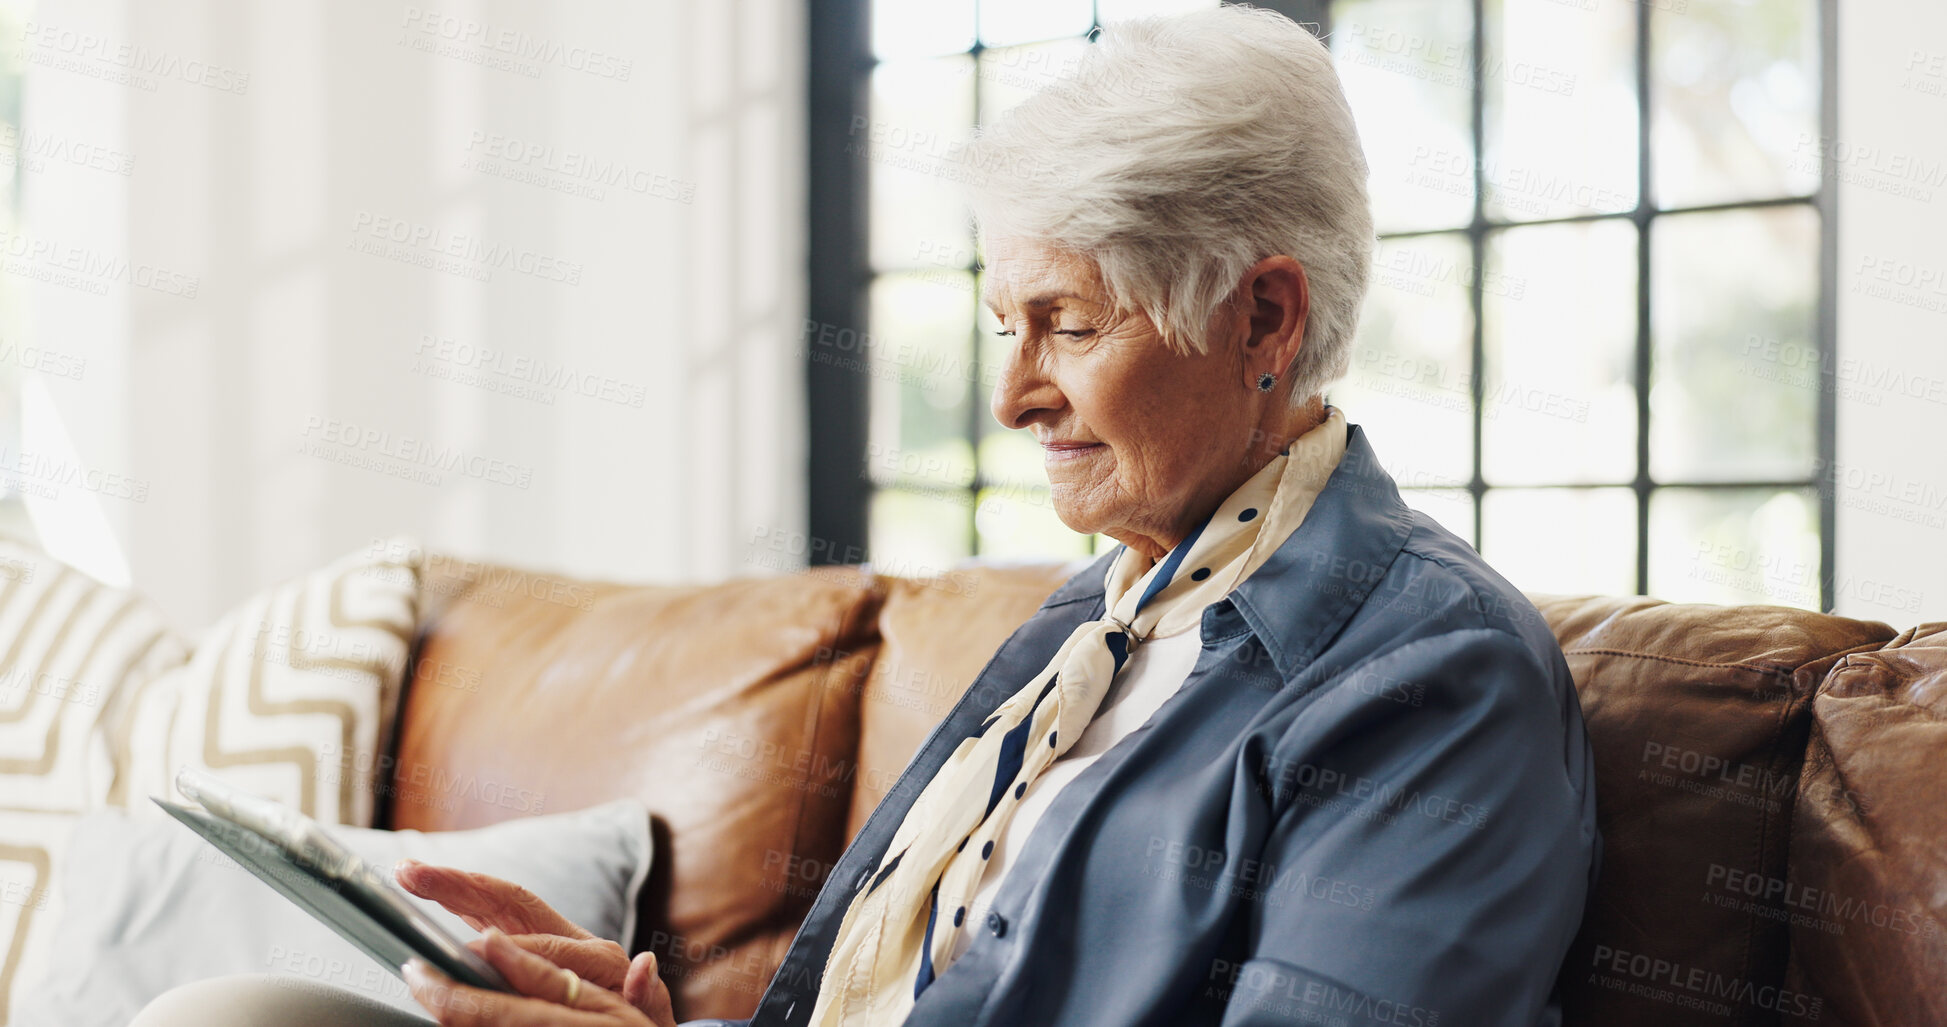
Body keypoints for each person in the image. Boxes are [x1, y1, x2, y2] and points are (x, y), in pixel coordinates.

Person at [132, 7, 1598, 1026]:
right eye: (999, 326)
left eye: (1067, 326)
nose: (1014, 395)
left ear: (1262, 315)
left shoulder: (1428, 681)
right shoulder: (1080, 628)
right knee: (231, 1011)